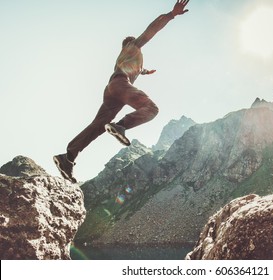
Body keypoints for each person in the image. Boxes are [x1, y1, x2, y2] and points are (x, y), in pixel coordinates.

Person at [54, 0, 190, 183]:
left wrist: (144, 70)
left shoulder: (123, 58)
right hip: (120, 85)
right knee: (151, 109)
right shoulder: (134, 45)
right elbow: (151, 30)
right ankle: (121, 126)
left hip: (112, 91)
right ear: (131, 43)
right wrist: (171, 15)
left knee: (98, 125)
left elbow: (133, 67)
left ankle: (67, 157)